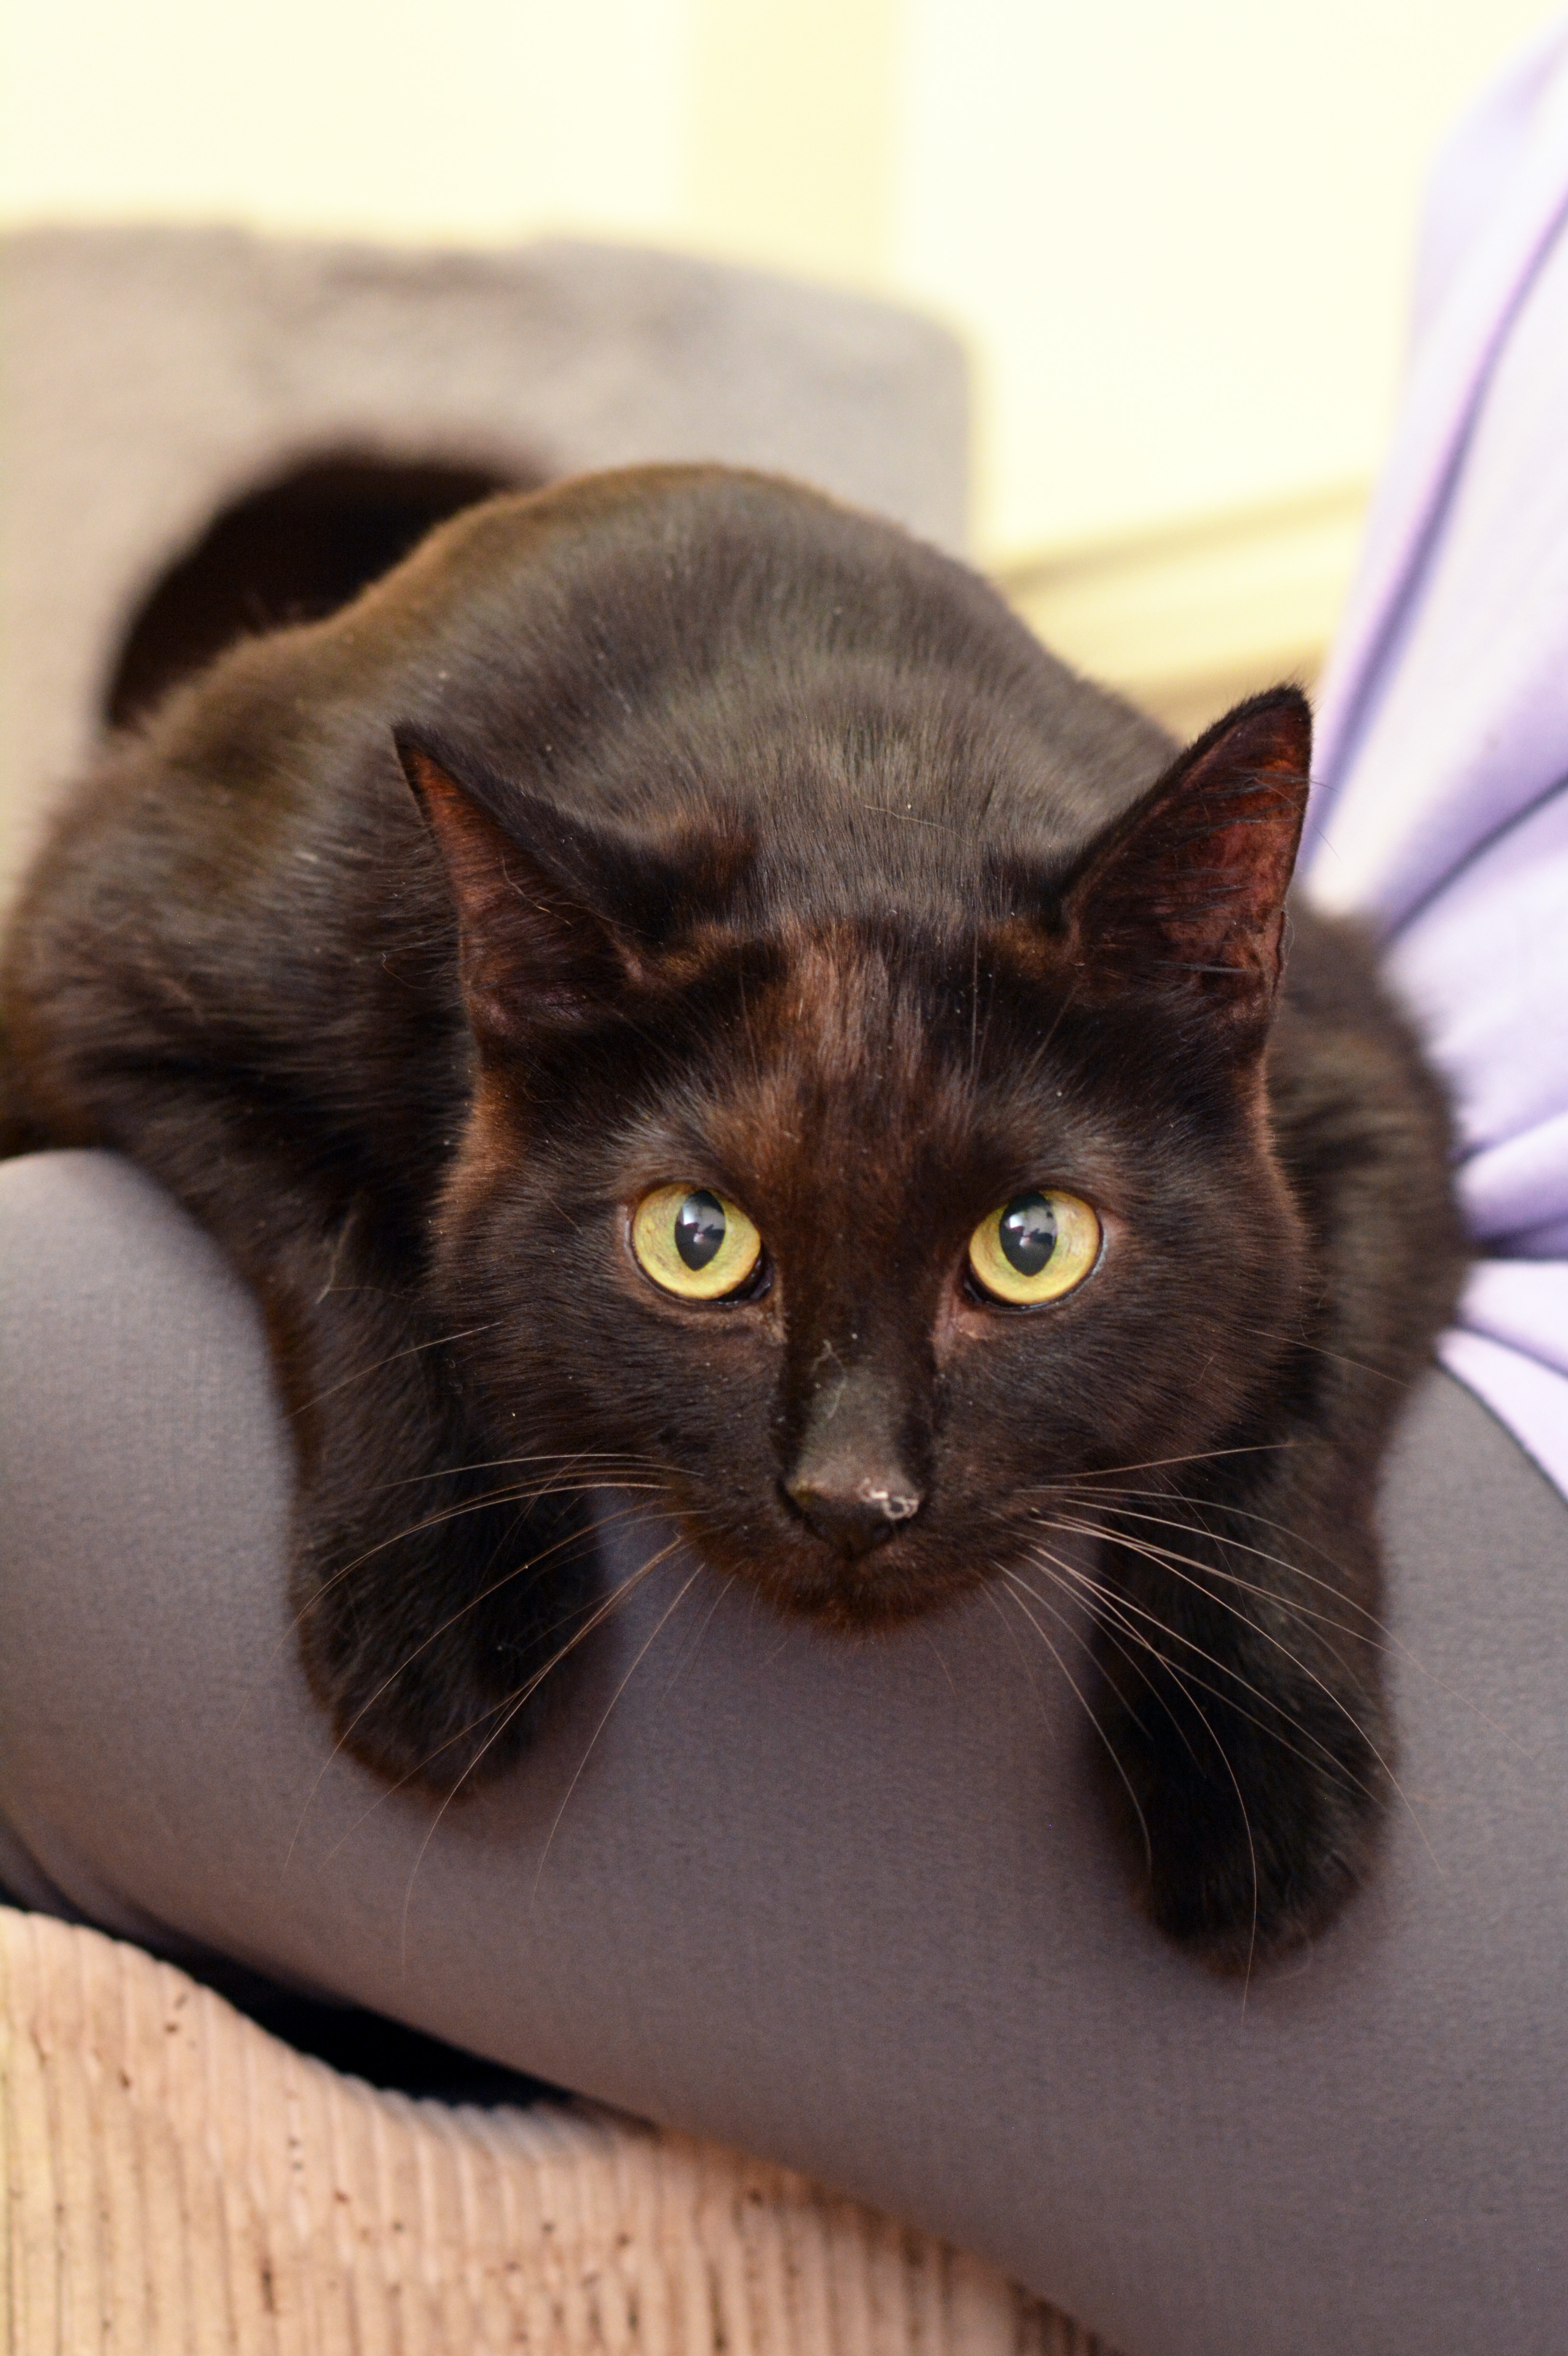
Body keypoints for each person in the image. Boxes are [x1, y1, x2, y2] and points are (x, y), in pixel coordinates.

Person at [2, 28, 1566, 2353]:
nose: (855, 1493)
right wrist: (379, 1378)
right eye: (700, 1246)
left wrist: (1251, 1581)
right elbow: (93, 958)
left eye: (1021, 1255)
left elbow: (1348, 1110)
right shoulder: (370, 877)